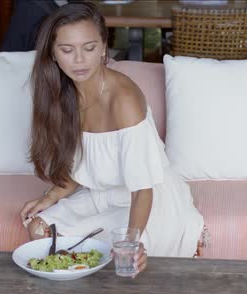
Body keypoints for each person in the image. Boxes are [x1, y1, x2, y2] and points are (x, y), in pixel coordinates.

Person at [19, 2, 205, 277]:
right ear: (54, 55)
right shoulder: (61, 93)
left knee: (117, 253)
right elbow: (88, 162)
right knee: (38, 227)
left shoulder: (124, 100)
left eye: (89, 48)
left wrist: (133, 242)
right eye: (67, 50)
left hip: (146, 197)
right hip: (103, 192)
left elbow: (143, 190)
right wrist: (51, 196)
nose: (79, 60)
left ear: (104, 47)